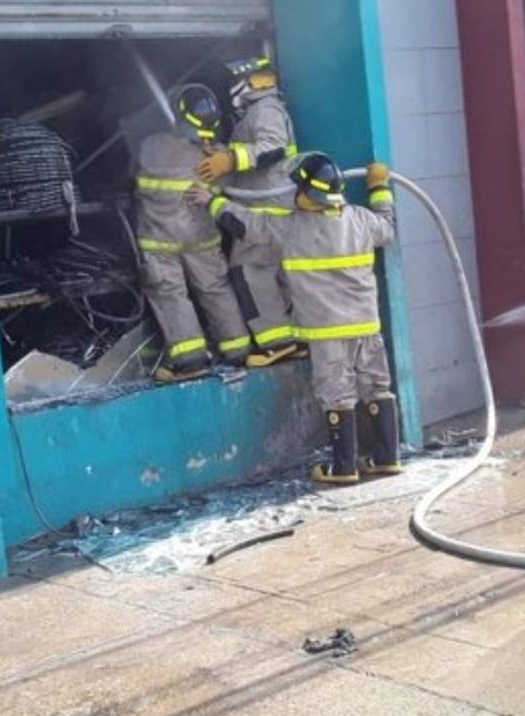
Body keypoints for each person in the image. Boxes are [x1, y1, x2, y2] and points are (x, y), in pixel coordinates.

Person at [189, 153, 402, 484]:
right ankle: (387, 458)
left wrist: (212, 201)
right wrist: (379, 186)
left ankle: (344, 467)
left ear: (309, 194)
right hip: (367, 327)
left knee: (337, 394)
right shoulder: (361, 221)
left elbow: (246, 225)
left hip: (327, 333)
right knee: (377, 386)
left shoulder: (292, 228)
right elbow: (388, 227)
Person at [134, 83, 253, 383]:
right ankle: (238, 350)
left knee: (171, 295)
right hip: (202, 239)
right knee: (216, 290)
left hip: (158, 242)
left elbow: (129, 175)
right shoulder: (217, 157)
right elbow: (231, 187)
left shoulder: (151, 146)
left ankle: (190, 361)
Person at [197, 56, 303, 368]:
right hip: (267, 207)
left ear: (247, 81)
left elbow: (272, 148)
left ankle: (277, 343)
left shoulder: (265, 109)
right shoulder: (256, 112)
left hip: (266, 210)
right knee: (277, 277)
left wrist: (231, 159)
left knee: (249, 273)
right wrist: (225, 155)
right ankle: (293, 340)